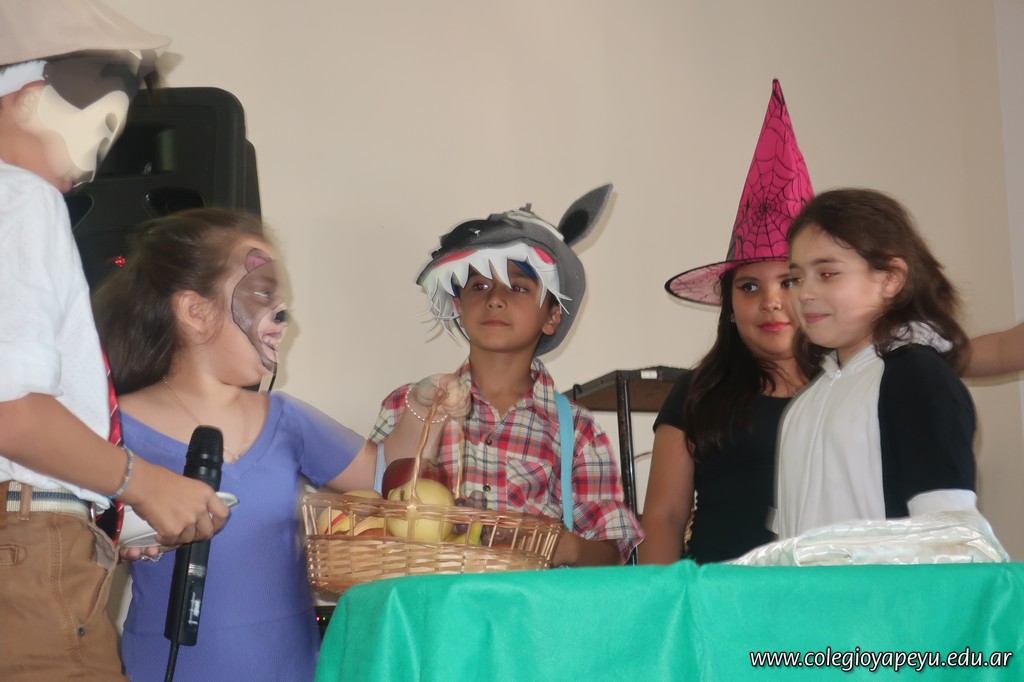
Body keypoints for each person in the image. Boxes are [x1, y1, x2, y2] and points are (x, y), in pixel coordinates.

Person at [0, 3, 227, 678]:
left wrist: (92, 510)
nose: (96, 162)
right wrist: (144, 483)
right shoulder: (21, 199)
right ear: (28, 97)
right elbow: (12, 412)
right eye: (100, 128)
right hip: (27, 556)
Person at [92, 208, 379, 681]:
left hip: (292, 669)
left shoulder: (287, 419)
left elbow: (389, 477)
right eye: (262, 293)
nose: (282, 315)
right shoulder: (112, 427)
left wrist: (424, 406)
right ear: (195, 311)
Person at [371, 185, 644, 566]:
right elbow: (367, 514)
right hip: (431, 600)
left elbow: (611, 553)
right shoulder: (409, 406)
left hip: (533, 604)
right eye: (479, 286)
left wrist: (561, 545)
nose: (495, 299)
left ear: (552, 317)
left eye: (518, 287)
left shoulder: (578, 432)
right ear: (458, 305)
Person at [640, 80, 815, 565]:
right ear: (729, 305)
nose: (771, 302)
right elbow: (664, 517)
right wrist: (664, 602)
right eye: (750, 287)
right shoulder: (698, 392)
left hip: (825, 597)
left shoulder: (848, 388)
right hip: (716, 597)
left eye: (788, 282)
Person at [775, 188, 979, 538]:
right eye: (795, 278)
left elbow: (947, 537)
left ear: (891, 278)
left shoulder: (918, 379)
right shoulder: (806, 400)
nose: (803, 293)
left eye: (827, 274)